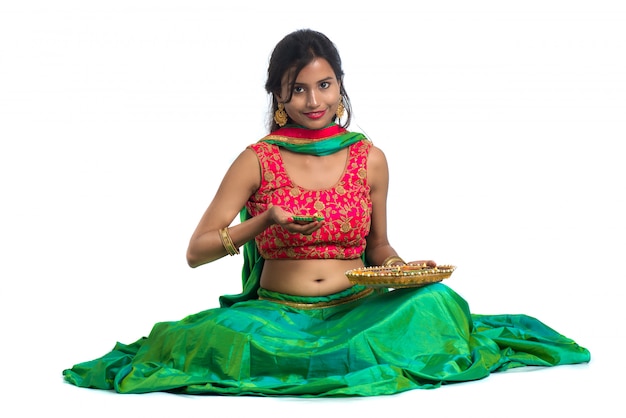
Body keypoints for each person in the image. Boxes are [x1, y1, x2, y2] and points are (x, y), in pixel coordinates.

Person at [63, 29, 590, 397]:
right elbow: (196, 252)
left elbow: (378, 246)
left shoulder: (370, 157)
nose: (313, 100)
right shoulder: (257, 159)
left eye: (324, 85)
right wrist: (263, 220)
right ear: (278, 96)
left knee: (436, 302)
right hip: (273, 314)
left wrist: (403, 273)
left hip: (355, 304)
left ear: (340, 87)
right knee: (208, 342)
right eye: (298, 88)